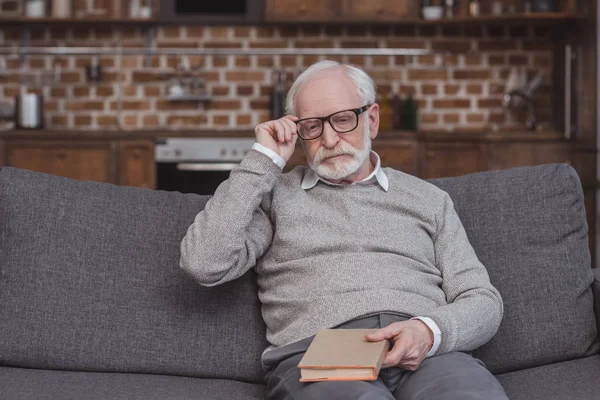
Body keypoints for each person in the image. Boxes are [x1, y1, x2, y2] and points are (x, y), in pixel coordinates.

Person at [179, 60, 508, 400]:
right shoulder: (274, 197)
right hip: (320, 358)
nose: (330, 138)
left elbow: (482, 300)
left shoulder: (429, 200)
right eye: (312, 126)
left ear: (372, 119)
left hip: (426, 354)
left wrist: (428, 330)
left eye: (343, 119)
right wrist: (263, 159)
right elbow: (204, 263)